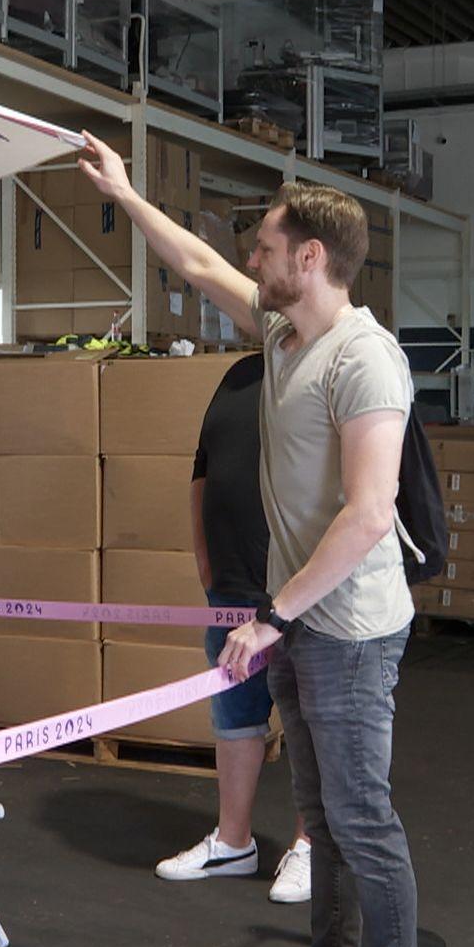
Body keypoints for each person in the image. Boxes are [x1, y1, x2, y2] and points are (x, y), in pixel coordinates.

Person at [78, 132, 423, 947]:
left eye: (265, 249)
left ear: (309, 259)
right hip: (302, 624)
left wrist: (271, 616)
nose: (250, 261)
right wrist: (123, 189)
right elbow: (192, 261)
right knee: (323, 817)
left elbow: (368, 515)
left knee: (362, 823)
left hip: (346, 628)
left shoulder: (364, 359)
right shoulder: (282, 336)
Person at [154, 352, 312, 904]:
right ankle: (233, 841)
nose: (254, 264)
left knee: (312, 722)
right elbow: (202, 470)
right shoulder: (239, 375)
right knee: (235, 717)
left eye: (266, 257)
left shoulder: (330, 366)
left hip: (305, 591)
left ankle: (310, 845)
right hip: (233, 589)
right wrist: (205, 561)